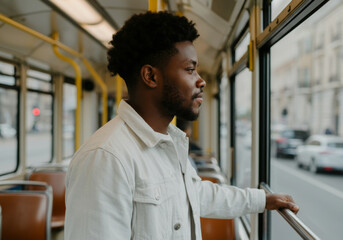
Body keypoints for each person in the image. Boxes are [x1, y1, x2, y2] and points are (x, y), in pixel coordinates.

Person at [65, 11, 299, 240]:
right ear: (151, 76)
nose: (201, 80)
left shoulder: (168, 142)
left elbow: (193, 195)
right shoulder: (106, 158)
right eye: (190, 69)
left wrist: (262, 200)